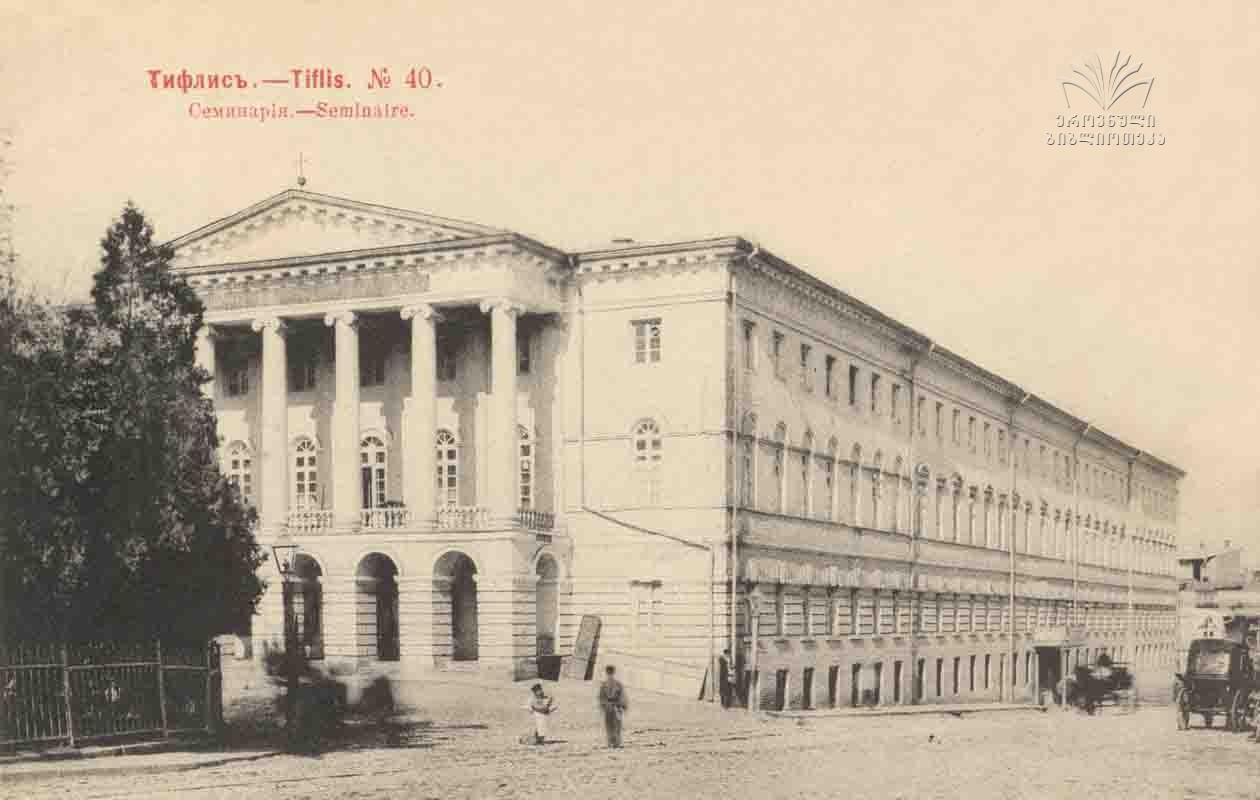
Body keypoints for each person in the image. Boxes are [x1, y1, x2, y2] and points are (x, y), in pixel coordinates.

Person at [598, 664, 628, 748]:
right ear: (613, 672)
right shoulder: (618, 684)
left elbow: (601, 697)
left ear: (606, 672)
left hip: (608, 707)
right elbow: (622, 696)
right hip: (616, 706)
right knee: (616, 725)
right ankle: (616, 743)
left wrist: (602, 706)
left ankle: (610, 743)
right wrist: (623, 706)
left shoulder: (604, 684)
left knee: (609, 725)